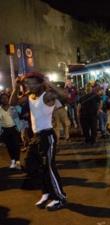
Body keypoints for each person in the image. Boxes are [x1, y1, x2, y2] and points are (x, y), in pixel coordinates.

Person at [10, 72, 67, 211]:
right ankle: (46, 192)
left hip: (47, 135)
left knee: (49, 167)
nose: (27, 86)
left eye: (30, 83)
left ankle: (60, 198)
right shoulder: (30, 96)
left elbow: (64, 95)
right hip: (36, 137)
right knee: (30, 164)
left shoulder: (47, 95)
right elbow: (13, 103)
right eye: (26, 83)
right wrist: (16, 87)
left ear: (39, 83)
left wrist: (49, 83)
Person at [0, 93, 22, 169]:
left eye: (6, 98)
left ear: (8, 99)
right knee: (9, 147)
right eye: (2, 98)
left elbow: (21, 111)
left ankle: (18, 162)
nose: (4, 99)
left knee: (16, 146)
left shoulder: (13, 108)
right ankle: (13, 161)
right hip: (5, 130)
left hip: (14, 129)